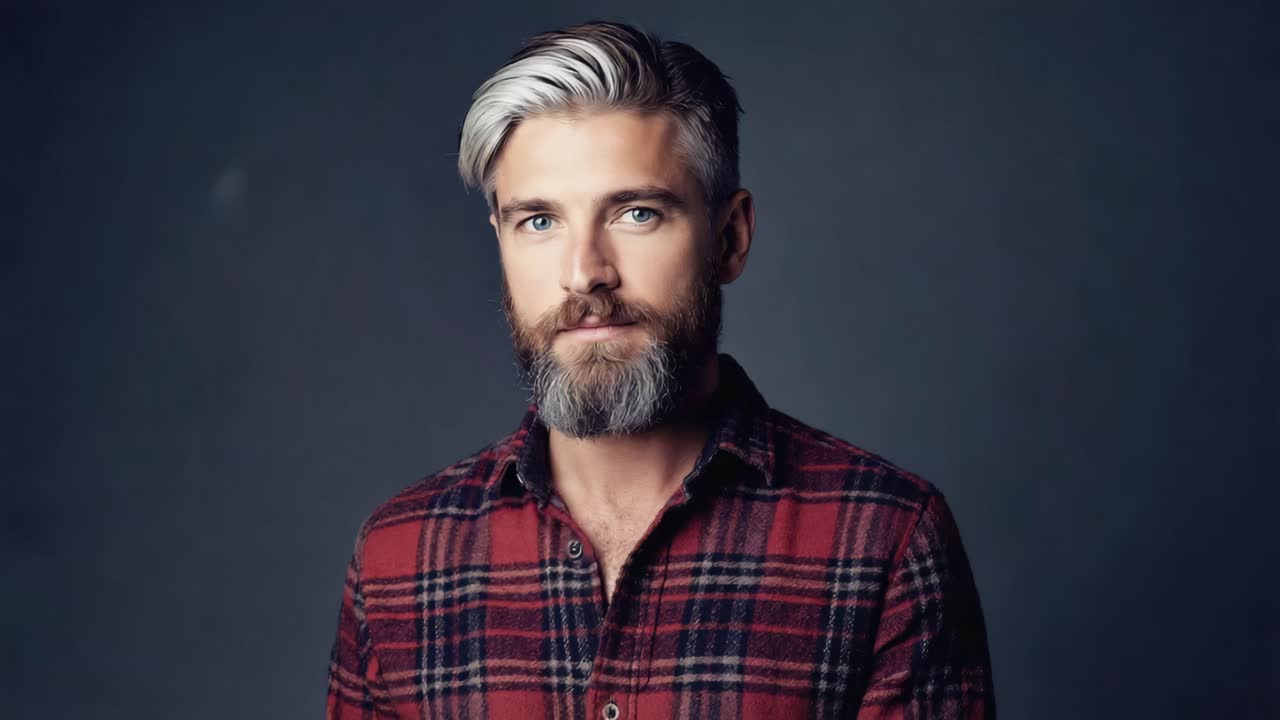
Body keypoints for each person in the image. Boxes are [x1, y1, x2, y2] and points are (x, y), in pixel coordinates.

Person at [326, 20, 994, 719]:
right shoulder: (398, 561)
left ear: (729, 238)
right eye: (539, 222)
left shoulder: (884, 542)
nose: (585, 273)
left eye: (637, 213)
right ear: (500, 239)